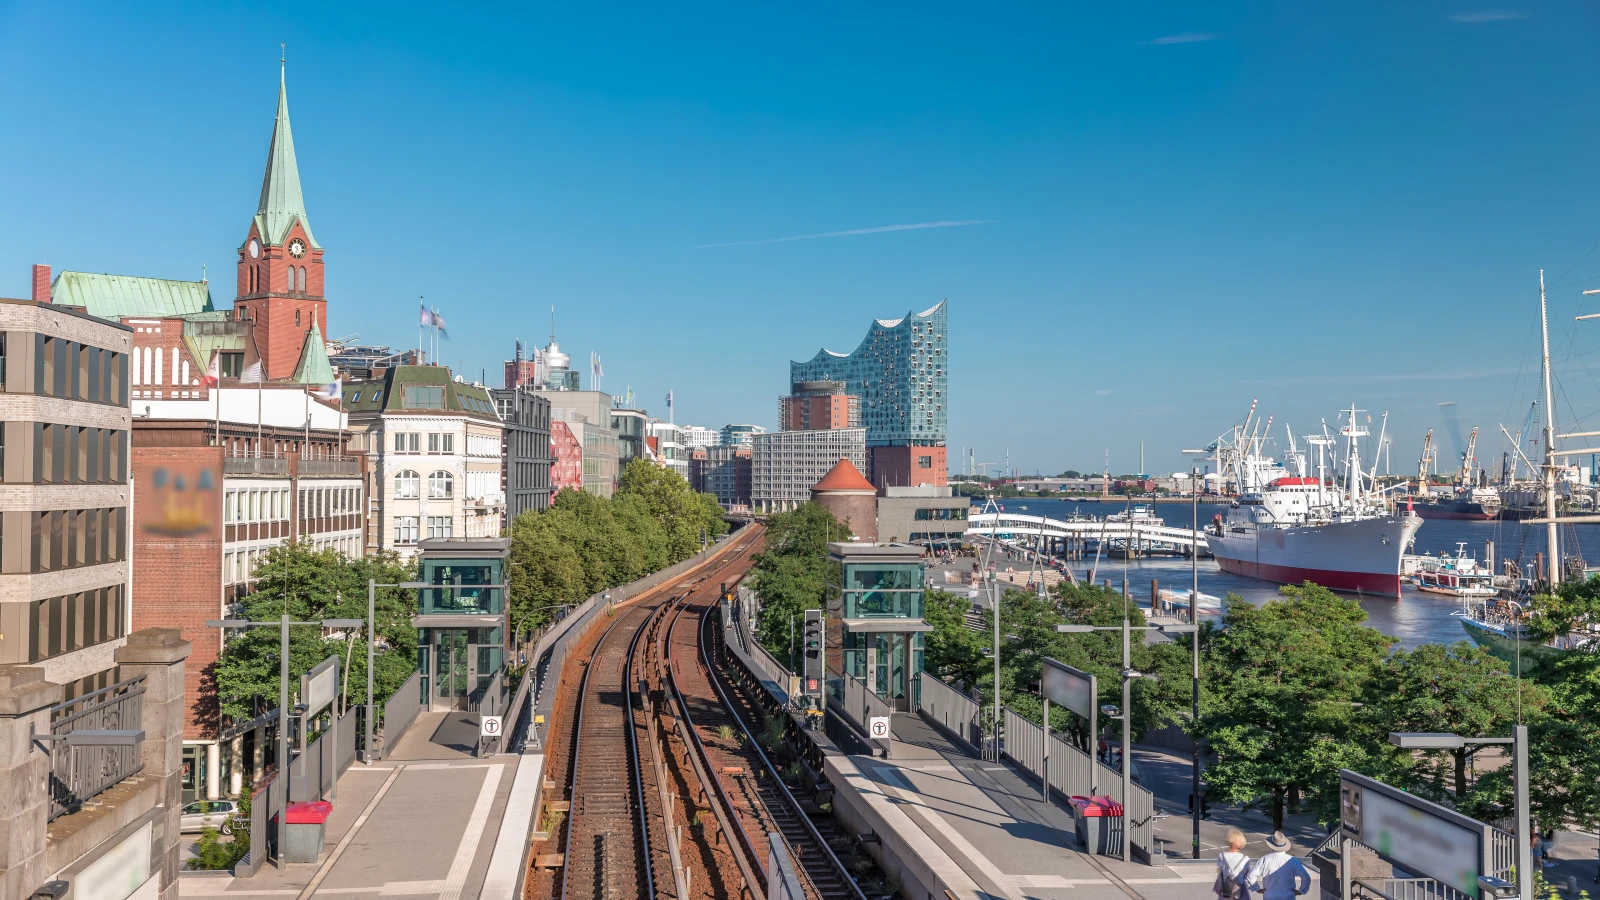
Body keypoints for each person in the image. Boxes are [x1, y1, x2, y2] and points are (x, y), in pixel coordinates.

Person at [1246, 832, 1311, 900]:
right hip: (1289, 897)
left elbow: (1251, 876)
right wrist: (1301, 891)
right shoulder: (1292, 860)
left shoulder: (1264, 859)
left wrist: (1257, 889)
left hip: (1269, 896)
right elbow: (1306, 878)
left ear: (1271, 845)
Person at [1214, 829, 1252, 900]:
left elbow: (1220, 869)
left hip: (1226, 889)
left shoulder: (1222, 855)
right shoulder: (1245, 858)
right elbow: (1248, 875)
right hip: (1240, 889)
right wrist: (1257, 888)